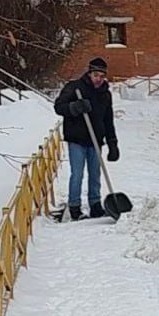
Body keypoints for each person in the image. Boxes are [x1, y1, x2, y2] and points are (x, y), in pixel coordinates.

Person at [53, 57, 119, 221]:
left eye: (102, 76)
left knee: (95, 173)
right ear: (89, 73)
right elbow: (59, 107)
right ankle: (74, 206)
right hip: (77, 139)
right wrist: (74, 107)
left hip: (96, 139)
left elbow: (108, 120)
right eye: (96, 75)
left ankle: (95, 205)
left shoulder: (105, 94)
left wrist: (113, 144)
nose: (99, 79)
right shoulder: (74, 88)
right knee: (77, 174)